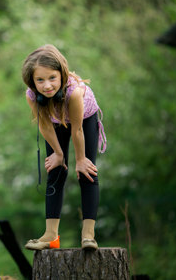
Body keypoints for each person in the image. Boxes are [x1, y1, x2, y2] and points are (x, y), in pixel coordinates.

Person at [22, 44, 106, 251]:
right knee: (55, 171)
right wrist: (59, 154)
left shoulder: (74, 93)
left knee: (87, 172)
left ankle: (88, 235)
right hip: (54, 121)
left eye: (52, 78)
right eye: (39, 80)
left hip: (83, 119)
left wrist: (80, 160)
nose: (47, 85)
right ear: (32, 81)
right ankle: (51, 235)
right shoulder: (33, 96)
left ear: (62, 74)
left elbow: (77, 130)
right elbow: (44, 124)